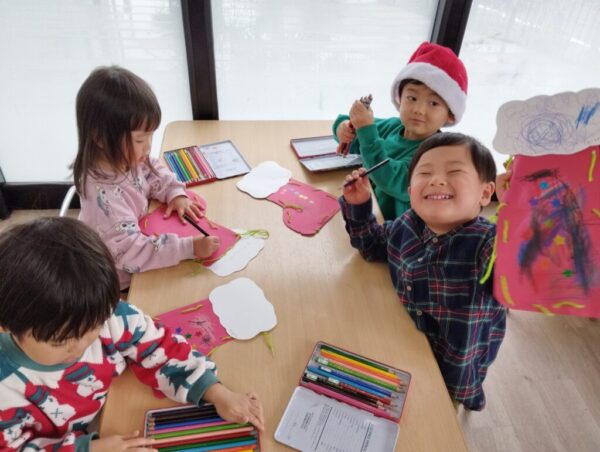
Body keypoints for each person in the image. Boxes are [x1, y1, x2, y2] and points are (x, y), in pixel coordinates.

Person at [0, 217, 264, 450]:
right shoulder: (5, 387)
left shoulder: (107, 315)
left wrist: (214, 391)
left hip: (105, 414)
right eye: (61, 341)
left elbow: (160, 346)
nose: (81, 346)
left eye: (92, 328)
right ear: (6, 324)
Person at [340, 132, 506, 410]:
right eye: (425, 173)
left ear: (486, 193)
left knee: (440, 412)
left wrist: (522, 213)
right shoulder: (407, 223)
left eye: (454, 172)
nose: (436, 180)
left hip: (454, 365)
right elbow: (371, 247)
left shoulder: (488, 242)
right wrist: (359, 205)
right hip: (405, 343)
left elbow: (523, 267)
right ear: (410, 190)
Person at [72, 65, 219, 290]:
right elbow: (132, 252)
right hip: (123, 277)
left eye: (150, 136)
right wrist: (188, 248)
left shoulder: (124, 156)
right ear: (100, 138)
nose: (148, 147)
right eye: (140, 140)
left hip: (141, 234)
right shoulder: (104, 201)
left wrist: (174, 193)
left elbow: (152, 169)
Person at [333, 41, 468, 221]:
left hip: (393, 230)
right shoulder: (394, 126)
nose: (419, 110)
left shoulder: (435, 154)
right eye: (412, 98)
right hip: (363, 209)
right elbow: (356, 134)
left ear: (450, 115)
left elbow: (390, 178)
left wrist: (365, 130)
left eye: (433, 103)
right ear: (399, 98)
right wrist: (344, 129)